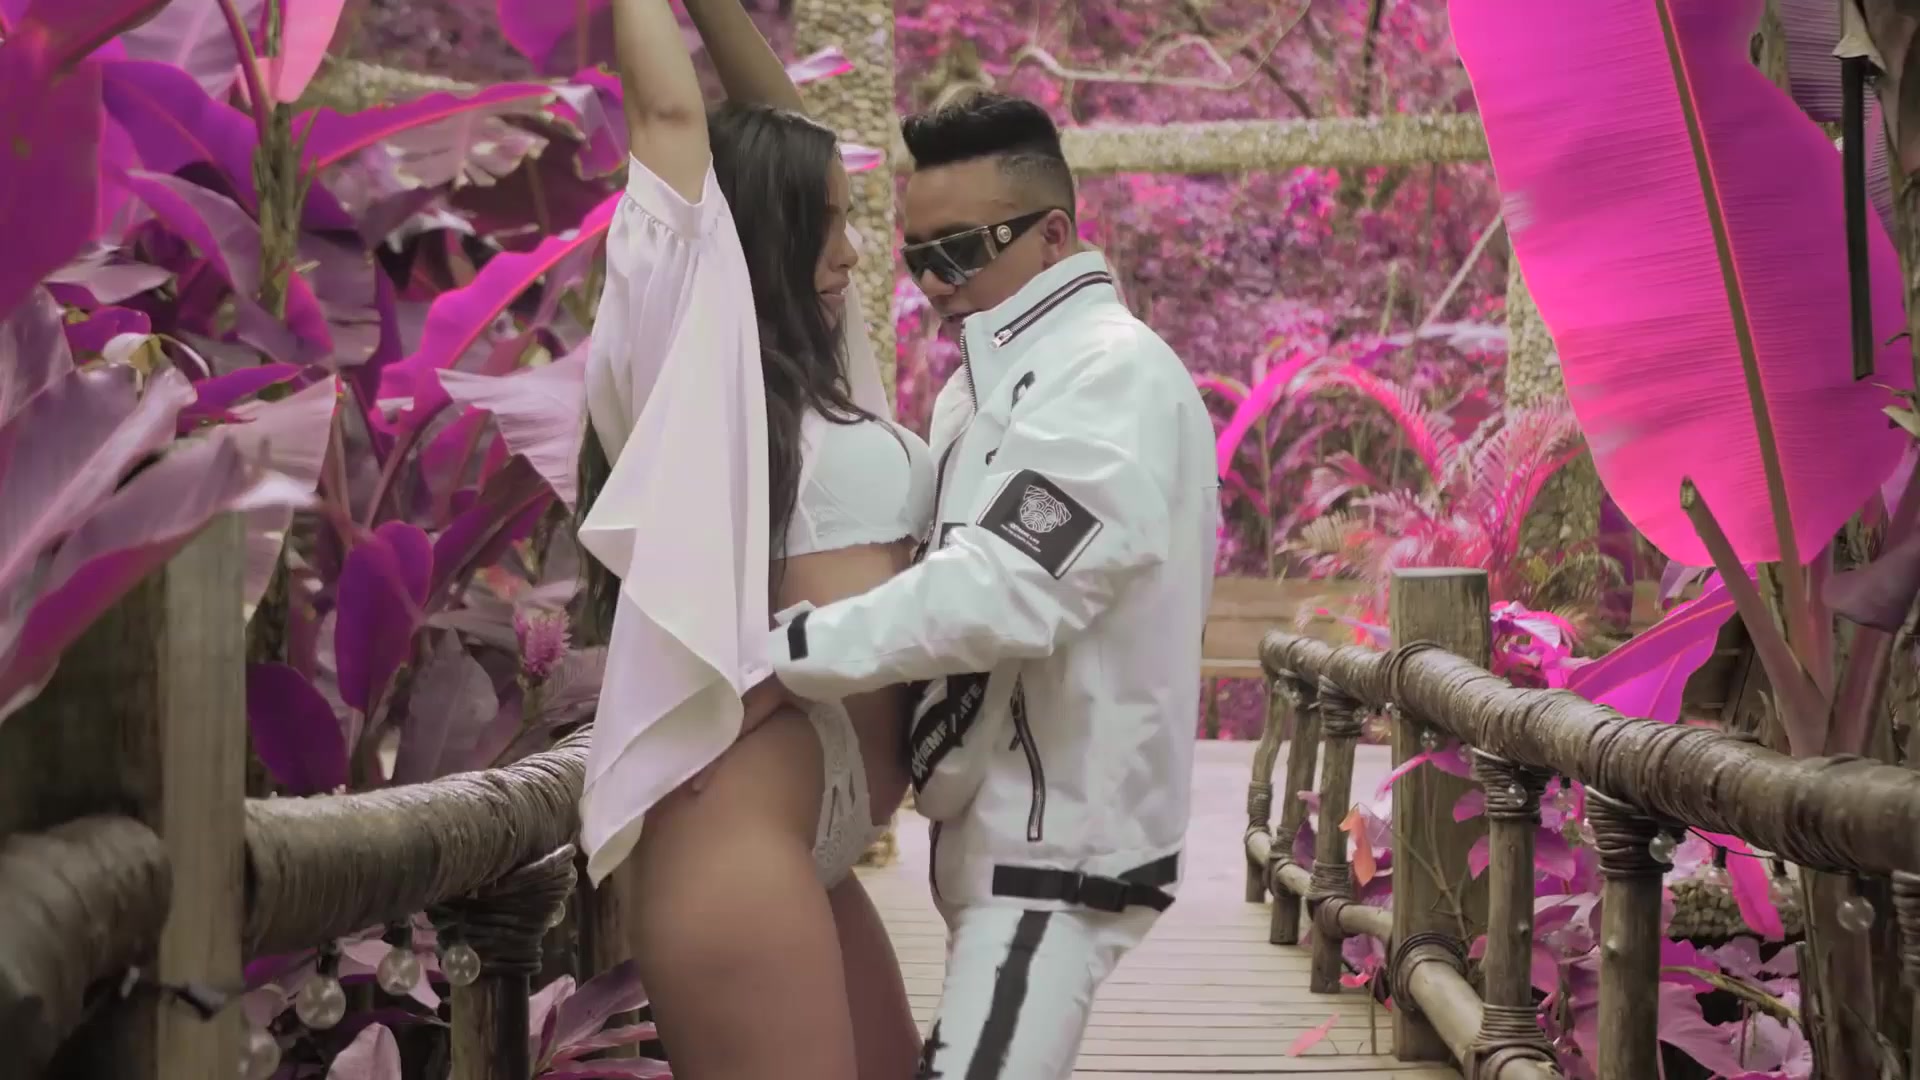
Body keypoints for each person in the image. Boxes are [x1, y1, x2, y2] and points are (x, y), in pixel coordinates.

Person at [740, 91, 1222, 1079]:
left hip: (1055, 856)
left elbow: (1007, 586)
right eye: (919, 255)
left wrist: (783, 651)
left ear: (1054, 236)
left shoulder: (1105, 376)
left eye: (961, 250)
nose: (933, 281)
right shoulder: (999, 380)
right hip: (1011, 844)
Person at [569, 0, 926, 1075]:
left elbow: (789, 125)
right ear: (768, 234)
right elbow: (671, 114)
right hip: (733, 829)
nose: (852, 251)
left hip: (813, 830)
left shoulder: (820, 364)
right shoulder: (697, 361)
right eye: (828, 223)